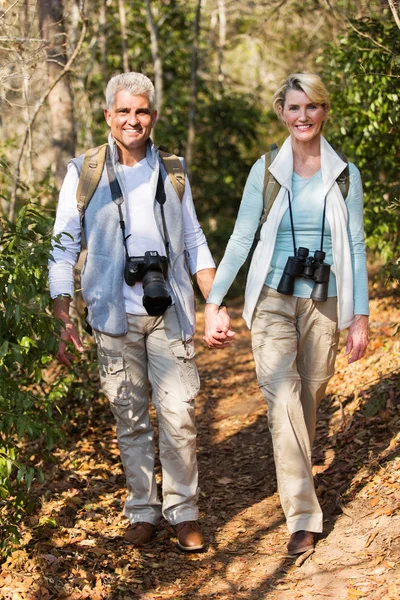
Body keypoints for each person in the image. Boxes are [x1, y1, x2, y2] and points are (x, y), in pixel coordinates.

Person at [49, 72, 231, 552]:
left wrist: (214, 302)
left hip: (169, 310)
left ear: (153, 116)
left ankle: (184, 510)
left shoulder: (172, 169)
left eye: (142, 111)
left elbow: (194, 241)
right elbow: (63, 246)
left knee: (179, 415)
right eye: (124, 111)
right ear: (108, 115)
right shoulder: (82, 172)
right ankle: (142, 510)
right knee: (130, 418)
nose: (134, 120)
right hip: (111, 316)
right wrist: (62, 313)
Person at [204, 73, 369, 555]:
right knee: (282, 396)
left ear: (324, 111)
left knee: (309, 397)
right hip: (273, 296)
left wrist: (359, 315)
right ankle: (303, 514)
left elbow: (356, 246)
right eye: (293, 107)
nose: (303, 116)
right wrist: (215, 300)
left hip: (326, 297)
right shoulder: (266, 171)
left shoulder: (345, 174)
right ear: (281, 112)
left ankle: (299, 478)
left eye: (312, 107)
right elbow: (240, 238)